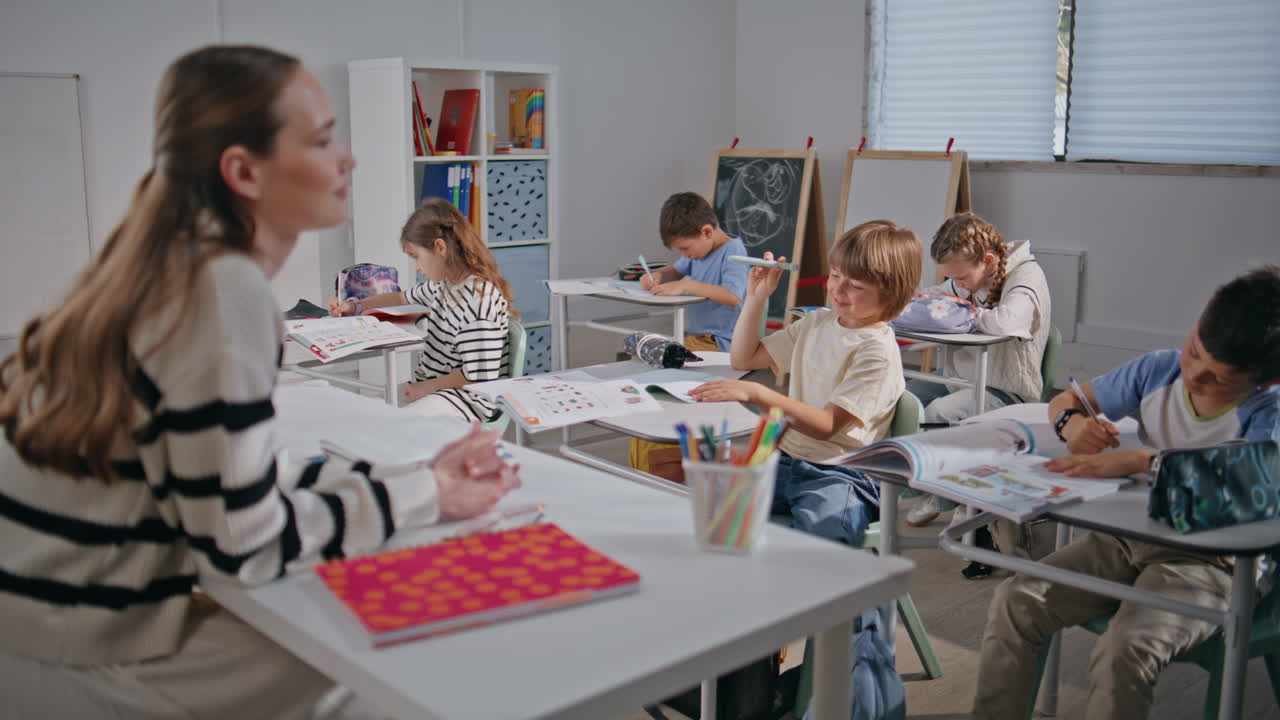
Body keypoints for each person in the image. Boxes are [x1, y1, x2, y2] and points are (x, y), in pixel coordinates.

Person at [0, 45, 520, 719]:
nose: (348, 159)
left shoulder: (169, 264)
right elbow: (243, 546)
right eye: (323, 138)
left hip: (41, 621)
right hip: (84, 645)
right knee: (410, 659)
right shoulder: (223, 290)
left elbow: (227, 490)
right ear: (243, 170)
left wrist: (420, 481)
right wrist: (425, 492)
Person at [973, 265, 1280, 720]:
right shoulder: (1158, 370)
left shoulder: (1267, 410)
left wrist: (1141, 461)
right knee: (1017, 601)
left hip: (1213, 567)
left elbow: (1250, 484)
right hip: (1126, 537)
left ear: (1265, 380)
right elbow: (1067, 400)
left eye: (1218, 378)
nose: (1195, 376)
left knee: (1124, 649)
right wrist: (1073, 426)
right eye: (1194, 351)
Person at [689, 220, 922, 548]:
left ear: (892, 292)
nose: (837, 289)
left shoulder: (876, 351)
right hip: (788, 457)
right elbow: (744, 359)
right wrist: (755, 298)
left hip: (843, 473)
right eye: (836, 275)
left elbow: (827, 426)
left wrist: (758, 393)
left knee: (817, 545)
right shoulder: (817, 322)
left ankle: (850, 597)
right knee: (713, 512)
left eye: (855, 285)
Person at [906, 212, 1052, 529]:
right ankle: (929, 484)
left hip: (1006, 390)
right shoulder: (970, 278)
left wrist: (959, 315)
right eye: (952, 277)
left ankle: (955, 496)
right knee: (904, 400)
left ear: (987, 260)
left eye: (961, 277)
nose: (957, 284)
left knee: (940, 412)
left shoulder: (1026, 276)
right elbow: (937, 298)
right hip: (963, 381)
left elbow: (1008, 321)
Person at [330, 197, 515, 420]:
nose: (417, 267)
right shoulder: (444, 285)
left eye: (416, 257)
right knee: (365, 414)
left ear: (440, 248)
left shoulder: (480, 299)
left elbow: (478, 374)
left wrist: (428, 387)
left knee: (386, 423)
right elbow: (400, 298)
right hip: (437, 389)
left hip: (466, 400)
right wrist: (355, 306)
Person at [631, 191, 749, 480]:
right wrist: (660, 276)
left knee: (651, 386)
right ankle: (648, 469)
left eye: (685, 248)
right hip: (691, 340)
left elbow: (733, 296)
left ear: (706, 231)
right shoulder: (700, 252)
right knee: (639, 375)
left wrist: (688, 286)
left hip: (715, 344)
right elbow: (676, 270)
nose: (684, 256)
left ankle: (659, 468)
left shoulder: (734, 254)